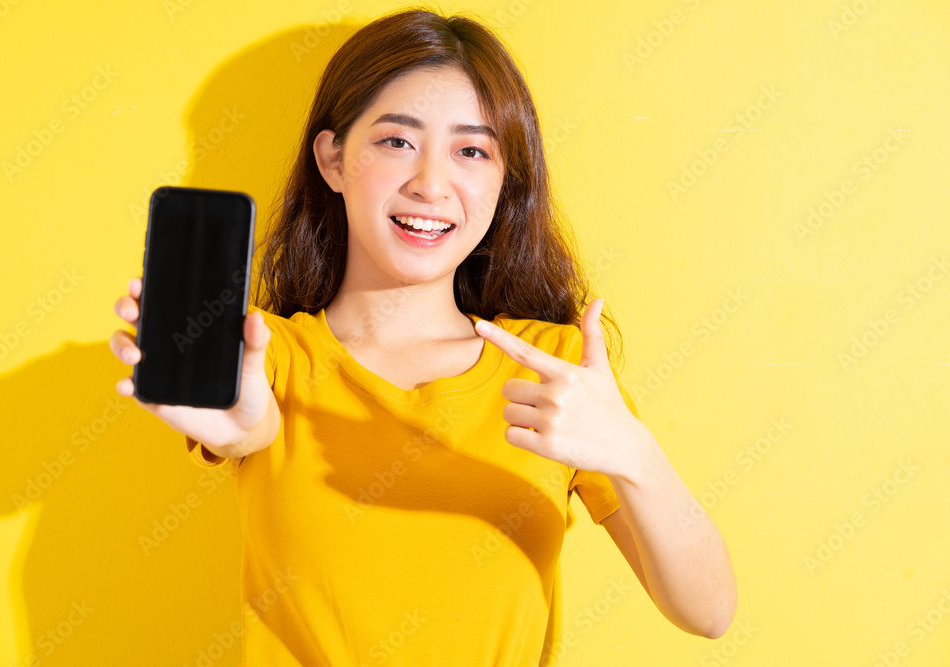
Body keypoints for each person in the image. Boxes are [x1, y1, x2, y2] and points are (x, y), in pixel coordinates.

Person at [110, 8, 736, 665]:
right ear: (332, 159)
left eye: (472, 150)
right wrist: (236, 414)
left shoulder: (557, 374)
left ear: (503, 180)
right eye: (396, 142)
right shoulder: (268, 359)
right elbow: (249, 424)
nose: (431, 184)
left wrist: (632, 449)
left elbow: (710, 610)